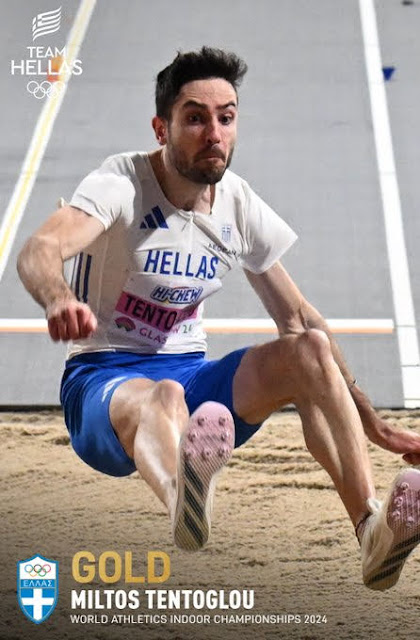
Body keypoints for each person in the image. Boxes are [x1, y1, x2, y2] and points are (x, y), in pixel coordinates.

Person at [17, 46, 420, 591]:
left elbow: (300, 317)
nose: (214, 133)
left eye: (225, 118)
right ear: (162, 128)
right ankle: (185, 495)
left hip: (191, 373)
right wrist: (58, 296)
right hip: (103, 383)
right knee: (166, 399)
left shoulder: (236, 203)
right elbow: (39, 249)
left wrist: (370, 419)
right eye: (195, 118)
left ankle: (371, 530)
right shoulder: (120, 183)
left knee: (310, 350)